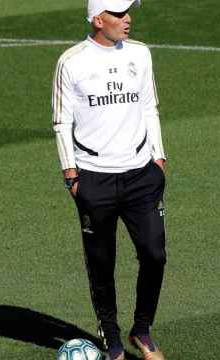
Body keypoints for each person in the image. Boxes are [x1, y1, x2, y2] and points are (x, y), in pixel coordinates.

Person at [51, 0, 167, 359]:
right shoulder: (71, 62)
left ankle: (142, 330)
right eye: (119, 13)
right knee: (102, 264)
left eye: (128, 11)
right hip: (94, 178)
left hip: (141, 174)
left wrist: (159, 158)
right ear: (98, 20)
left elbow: (149, 106)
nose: (128, 18)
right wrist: (71, 174)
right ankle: (112, 340)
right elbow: (61, 121)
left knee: (154, 255)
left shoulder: (141, 54)